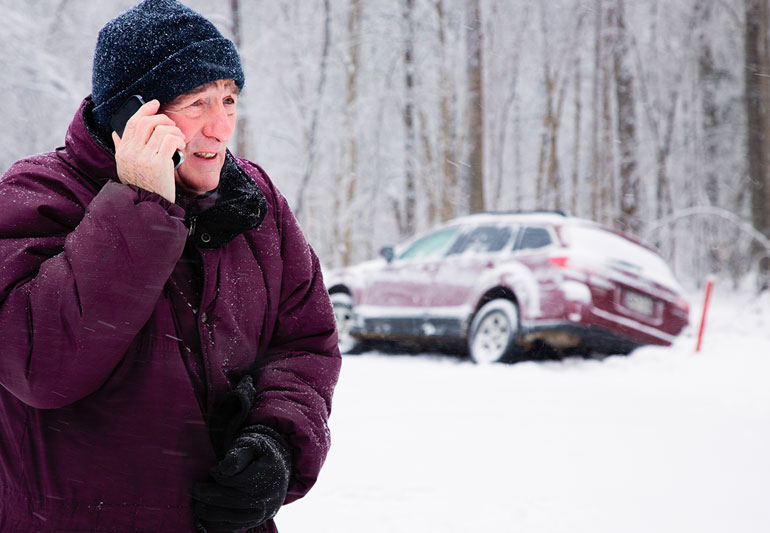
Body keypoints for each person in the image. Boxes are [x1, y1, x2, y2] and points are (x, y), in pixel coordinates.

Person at [0, 0, 341, 531]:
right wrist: (141, 202)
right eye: (197, 103)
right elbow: (41, 368)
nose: (220, 127)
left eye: (228, 99)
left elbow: (305, 342)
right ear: (132, 115)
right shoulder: (37, 197)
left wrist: (278, 442)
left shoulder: (255, 201)